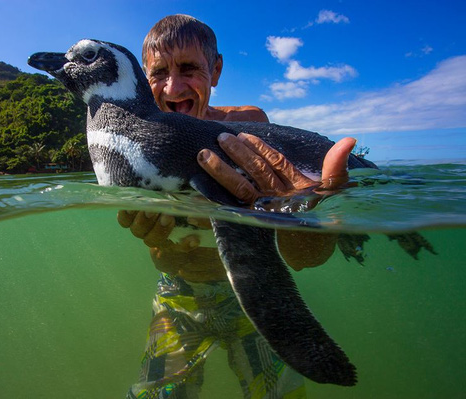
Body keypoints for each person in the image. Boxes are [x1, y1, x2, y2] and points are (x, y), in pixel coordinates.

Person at [122, 14, 355, 399]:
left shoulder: (248, 126)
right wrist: (153, 239)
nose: (173, 86)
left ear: (215, 71)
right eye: (158, 72)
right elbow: (155, 238)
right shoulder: (138, 148)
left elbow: (302, 257)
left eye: (189, 69)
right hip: (176, 296)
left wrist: (306, 205)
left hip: (244, 296)